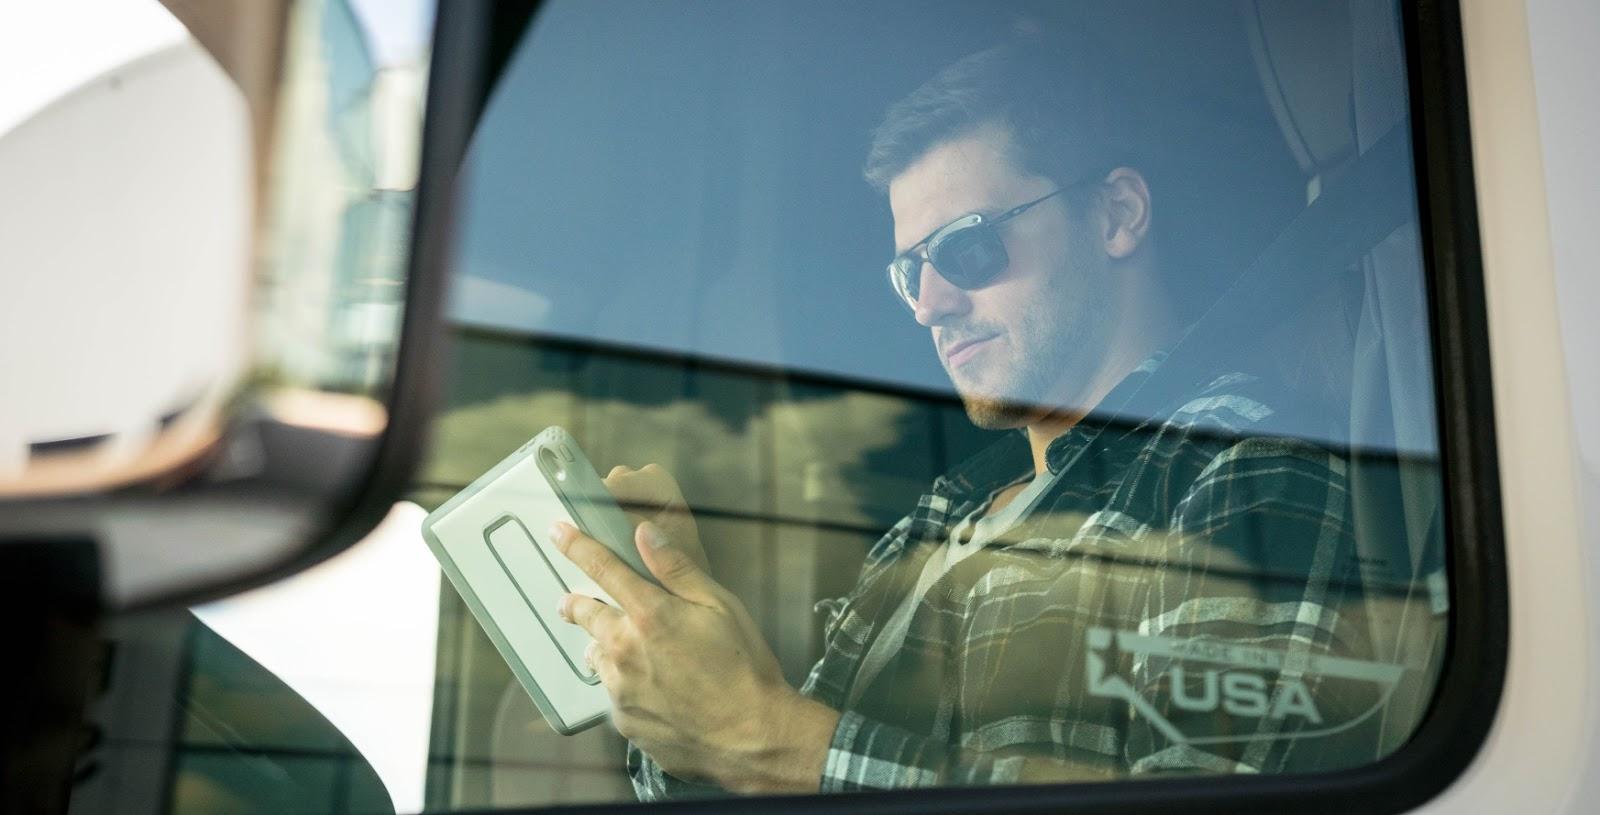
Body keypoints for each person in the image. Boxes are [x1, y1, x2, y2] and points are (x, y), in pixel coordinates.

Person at [549, 35, 1383, 797]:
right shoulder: (941, 515)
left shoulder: (1241, 462)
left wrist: (769, 736)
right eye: (912, 272)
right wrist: (681, 647)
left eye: (967, 248)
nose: (931, 306)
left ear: (1117, 214)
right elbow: (761, 762)